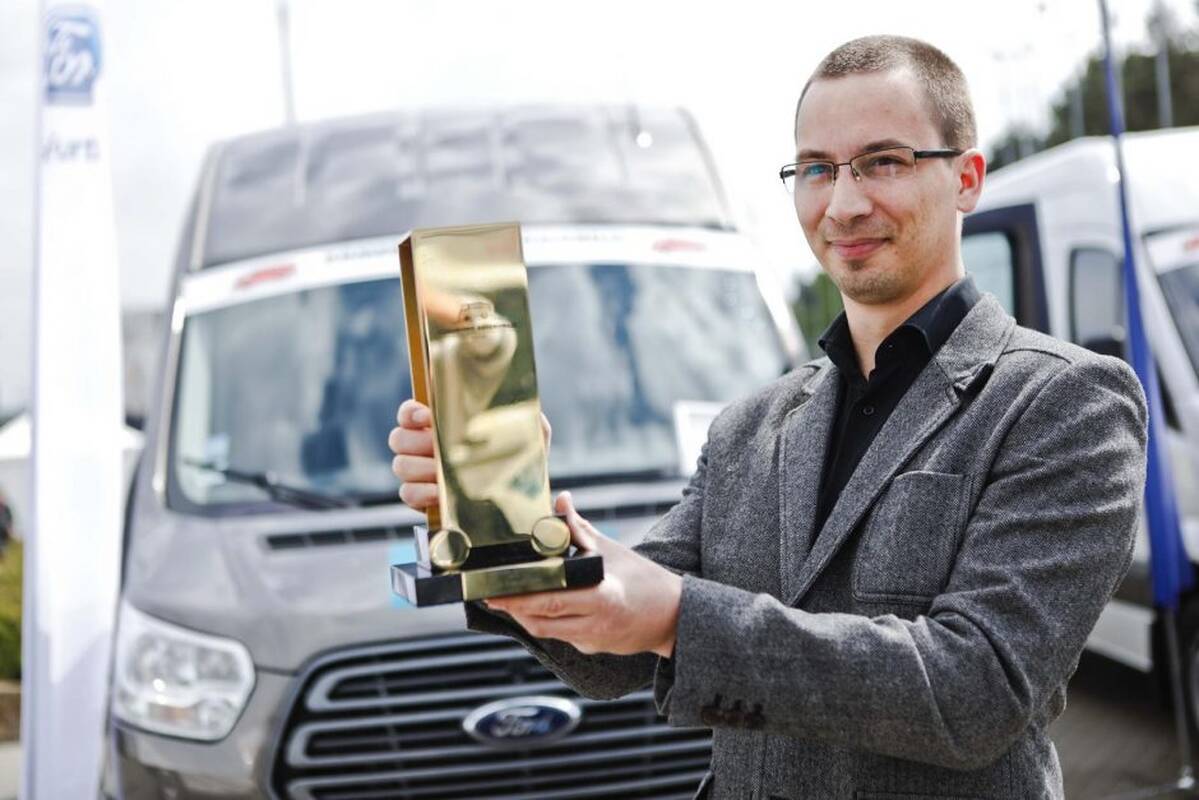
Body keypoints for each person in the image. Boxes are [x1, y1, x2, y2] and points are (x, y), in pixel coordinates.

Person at [389, 35, 1147, 799]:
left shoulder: (1064, 402)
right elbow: (614, 651)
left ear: (966, 178)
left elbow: (973, 693)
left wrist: (677, 618)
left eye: (883, 162)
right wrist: (499, 516)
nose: (843, 204)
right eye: (816, 168)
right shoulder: (747, 427)